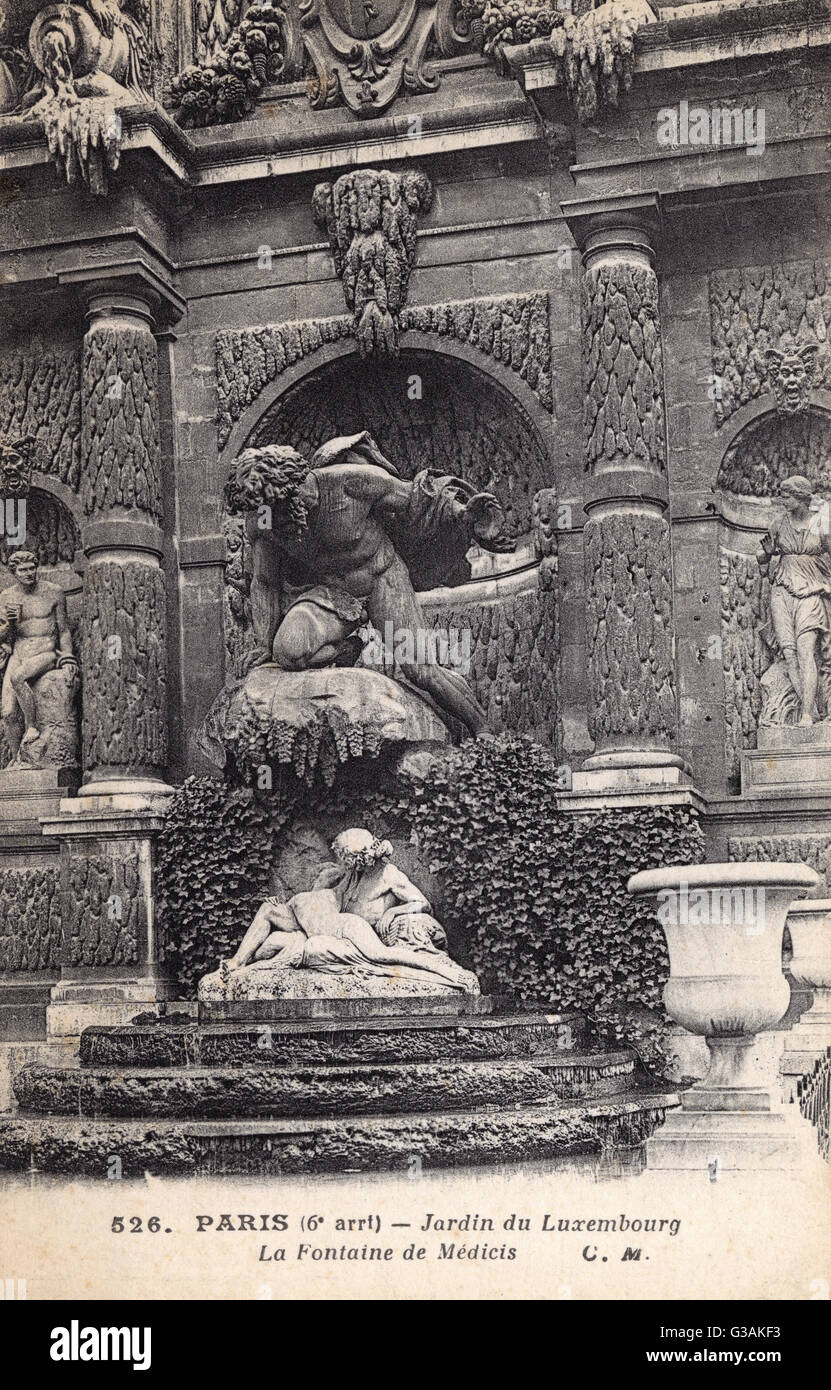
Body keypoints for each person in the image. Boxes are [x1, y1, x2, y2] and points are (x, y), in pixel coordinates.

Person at [225, 431, 506, 736]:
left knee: (421, 669)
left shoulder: (352, 484)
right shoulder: (264, 519)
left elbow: (415, 501)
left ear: (290, 490)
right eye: (260, 512)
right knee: (288, 653)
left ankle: (483, 731)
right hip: (329, 595)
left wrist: (462, 514)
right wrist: (263, 645)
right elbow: (265, 583)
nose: (267, 520)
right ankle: (347, 648)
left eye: (273, 510)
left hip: (381, 579)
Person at [219, 828, 478, 994]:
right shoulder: (354, 874)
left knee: (383, 956)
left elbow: (423, 903)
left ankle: (449, 974)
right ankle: (237, 962)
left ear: (356, 858)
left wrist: (394, 913)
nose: (344, 863)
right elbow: (332, 899)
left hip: (351, 931)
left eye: (345, 858)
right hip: (327, 928)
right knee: (268, 910)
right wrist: (302, 897)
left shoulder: (388, 874)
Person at [759, 475, 831, 725]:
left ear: (801, 497)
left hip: (812, 591)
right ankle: (810, 710)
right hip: (782, 590)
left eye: (786, 496)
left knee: (805, 652)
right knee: (789, 654)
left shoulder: (821, 524)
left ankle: (809, 713)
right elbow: (763, 569)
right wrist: (766, 557)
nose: (782, 500)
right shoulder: (778, 525)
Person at [0, 550, 78, 764]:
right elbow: (3, 636)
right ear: (14, 572)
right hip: (19, 652)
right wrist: (9, 624)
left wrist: (68, 657)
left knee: (18, 678)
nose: (29, 573)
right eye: (23, 570)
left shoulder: (54, 592)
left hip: (46, 651)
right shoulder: (6, 596)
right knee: (7, 712)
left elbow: (63, 630)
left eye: (32, 568)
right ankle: (17, 760)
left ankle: (32, 726)